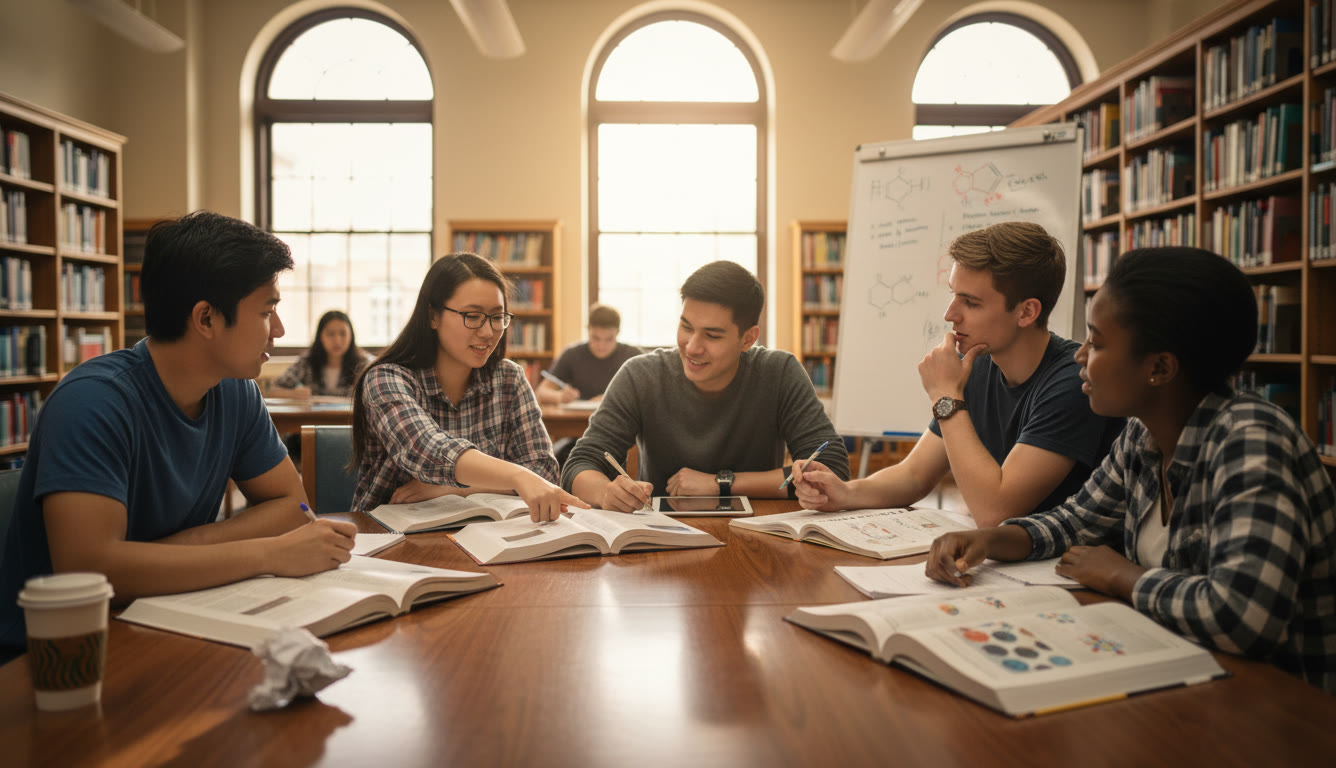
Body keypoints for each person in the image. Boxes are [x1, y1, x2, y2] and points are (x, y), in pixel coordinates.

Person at [925, 247, 1335, 692]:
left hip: (1284, 705)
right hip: (1189, 674)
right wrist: (990, 539)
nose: (1080, 355)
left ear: (1159, 368)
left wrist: (1123, 575)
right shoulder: (1143, 434)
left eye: (1097, 342)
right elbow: (1073, 522)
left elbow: (1244, 617)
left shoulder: (1252, 442)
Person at [0, 211, 356, 659]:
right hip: (55, 659)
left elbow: (292, 506)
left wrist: (156, 556)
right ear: (206, 319)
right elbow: (91, 569)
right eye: (266, 311)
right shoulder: (92, 402)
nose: (278, 331)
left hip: (165, 618)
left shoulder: (236, 391)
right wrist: (267, 554)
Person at [792, 221, 1122, 526]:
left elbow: (995, 511)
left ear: (1027, 312)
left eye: (971, 303)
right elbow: (914, 475)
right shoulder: (978, 364)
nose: (950, 314)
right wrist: (845, 492)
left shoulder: (1072, 382)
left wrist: (946, 396)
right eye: (953, 295)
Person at [561, 260, 850, 513]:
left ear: (748, 339)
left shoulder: (779, 372)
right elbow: (580, 464)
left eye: (712, 335)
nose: (692, 347)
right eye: (686, 327)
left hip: (759, 535)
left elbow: (832, 468)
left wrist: (719, 483)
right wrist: (605, 492)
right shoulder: (641, 375)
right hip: (662, 539)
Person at [350, 252, 584, 521]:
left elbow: (542, 472)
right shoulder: (386, 379)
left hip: (486, 534)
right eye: (472, 316)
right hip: (388, 538)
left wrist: (454, 489)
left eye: (497, 317)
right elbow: (426, 450)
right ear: (433, 316)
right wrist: (517, 476)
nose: (487, 332)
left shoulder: (509, 379)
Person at [534, 303, 642, 465]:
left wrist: (611, 398)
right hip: (579, 433)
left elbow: (648, 393)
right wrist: (560, 396)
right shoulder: (572, 354)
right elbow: (541, 392)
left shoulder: (632, 356)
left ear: (617, 333)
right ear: (588, 330)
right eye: (595, 338)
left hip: (621, 431)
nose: (601, 345)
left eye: (608, 339)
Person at [266, 310, 373, 398]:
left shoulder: (363, 364)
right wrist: (294, 393)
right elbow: (272, 391)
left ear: (351, 336)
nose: (337, 340)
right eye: (331, 334)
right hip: (312, 420)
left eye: (343, 334)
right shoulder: (307, 362)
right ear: (320, 337)